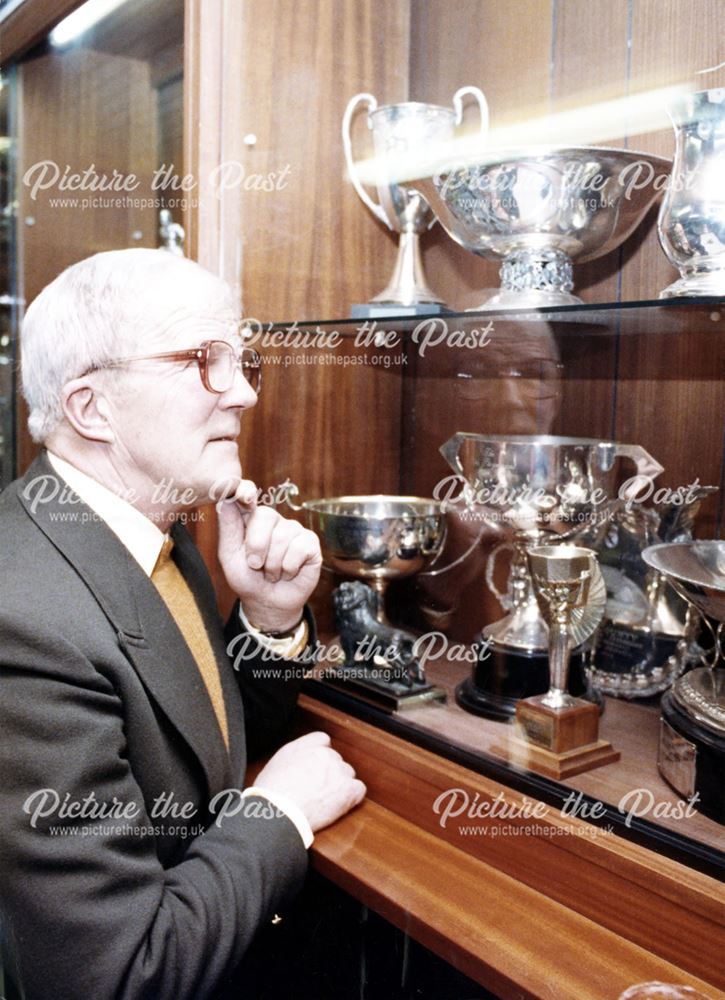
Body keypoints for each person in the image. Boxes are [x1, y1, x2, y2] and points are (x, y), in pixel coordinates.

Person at [0, 248, 366, 1000]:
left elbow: (203, 753)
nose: (241, 396)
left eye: (241, 361)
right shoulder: (22, 619)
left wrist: (266, 615)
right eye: (204, 360)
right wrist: (280, 813)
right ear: (91, 408)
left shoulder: (147, 521)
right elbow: (117, 975)